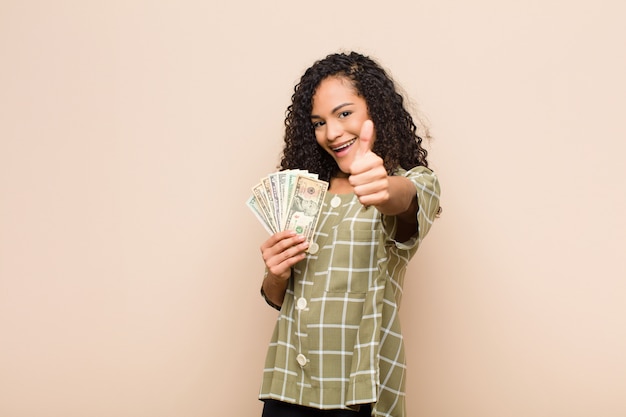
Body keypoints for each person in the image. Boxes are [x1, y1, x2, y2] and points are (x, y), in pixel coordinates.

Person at [258, 51, 441, 417]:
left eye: (344, 113)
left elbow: (404, 202)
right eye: (318, 122)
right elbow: (282, 298)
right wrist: (275, 274)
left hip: (358, 388)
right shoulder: (305, 192)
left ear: (375, 109)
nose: (332, 132)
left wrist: (383, 187)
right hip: (288, 383)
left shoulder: (411, 182)